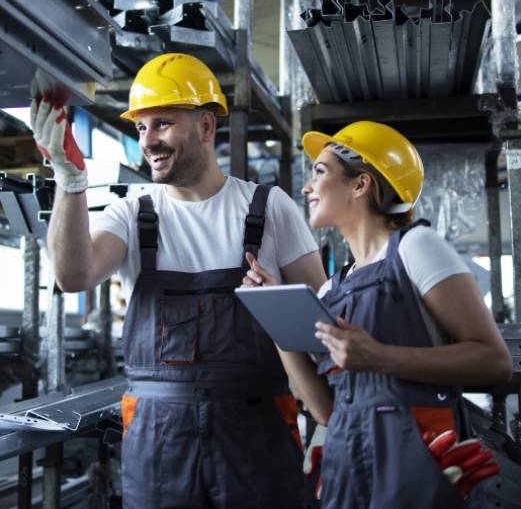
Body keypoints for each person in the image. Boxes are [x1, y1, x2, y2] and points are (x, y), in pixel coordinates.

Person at [30, 53, 327, 509]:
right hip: (159, 441)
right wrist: (70, 182)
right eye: (142, 127)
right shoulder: (131, 214)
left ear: (206, 127)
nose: (149, 141)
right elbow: (72, 277)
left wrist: (280, 307)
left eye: (163, 123)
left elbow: (321, 329)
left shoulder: (271, 208)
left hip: (256, 435)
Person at [243, 120, 513, 509]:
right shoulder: (331, 289)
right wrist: (275, 319)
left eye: (319, 172)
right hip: (348, 466)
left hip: (418, 464)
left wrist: (380, 357)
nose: (307, 187)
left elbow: (494, 361)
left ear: (360, 184)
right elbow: (324, 410)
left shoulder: (416, 248)